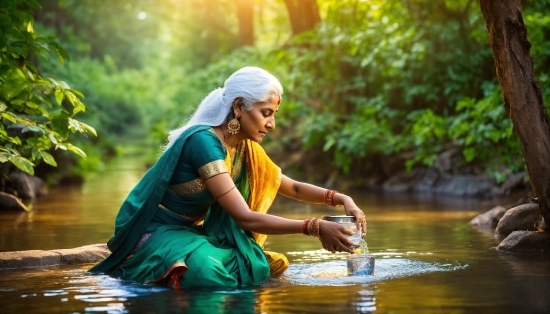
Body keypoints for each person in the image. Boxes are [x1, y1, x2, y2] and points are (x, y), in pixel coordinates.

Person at [89, 66, 367, 288]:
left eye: (274, 114)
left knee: (260, 264)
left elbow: (292, 188)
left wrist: (343, 199)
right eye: (266, 113)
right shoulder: (203, 143)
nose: (271, 123)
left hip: (186, 233)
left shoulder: (243, 147)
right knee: (209, 272)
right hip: (152, 231)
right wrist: (314, 227)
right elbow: (244, 217)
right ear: (238, 107)